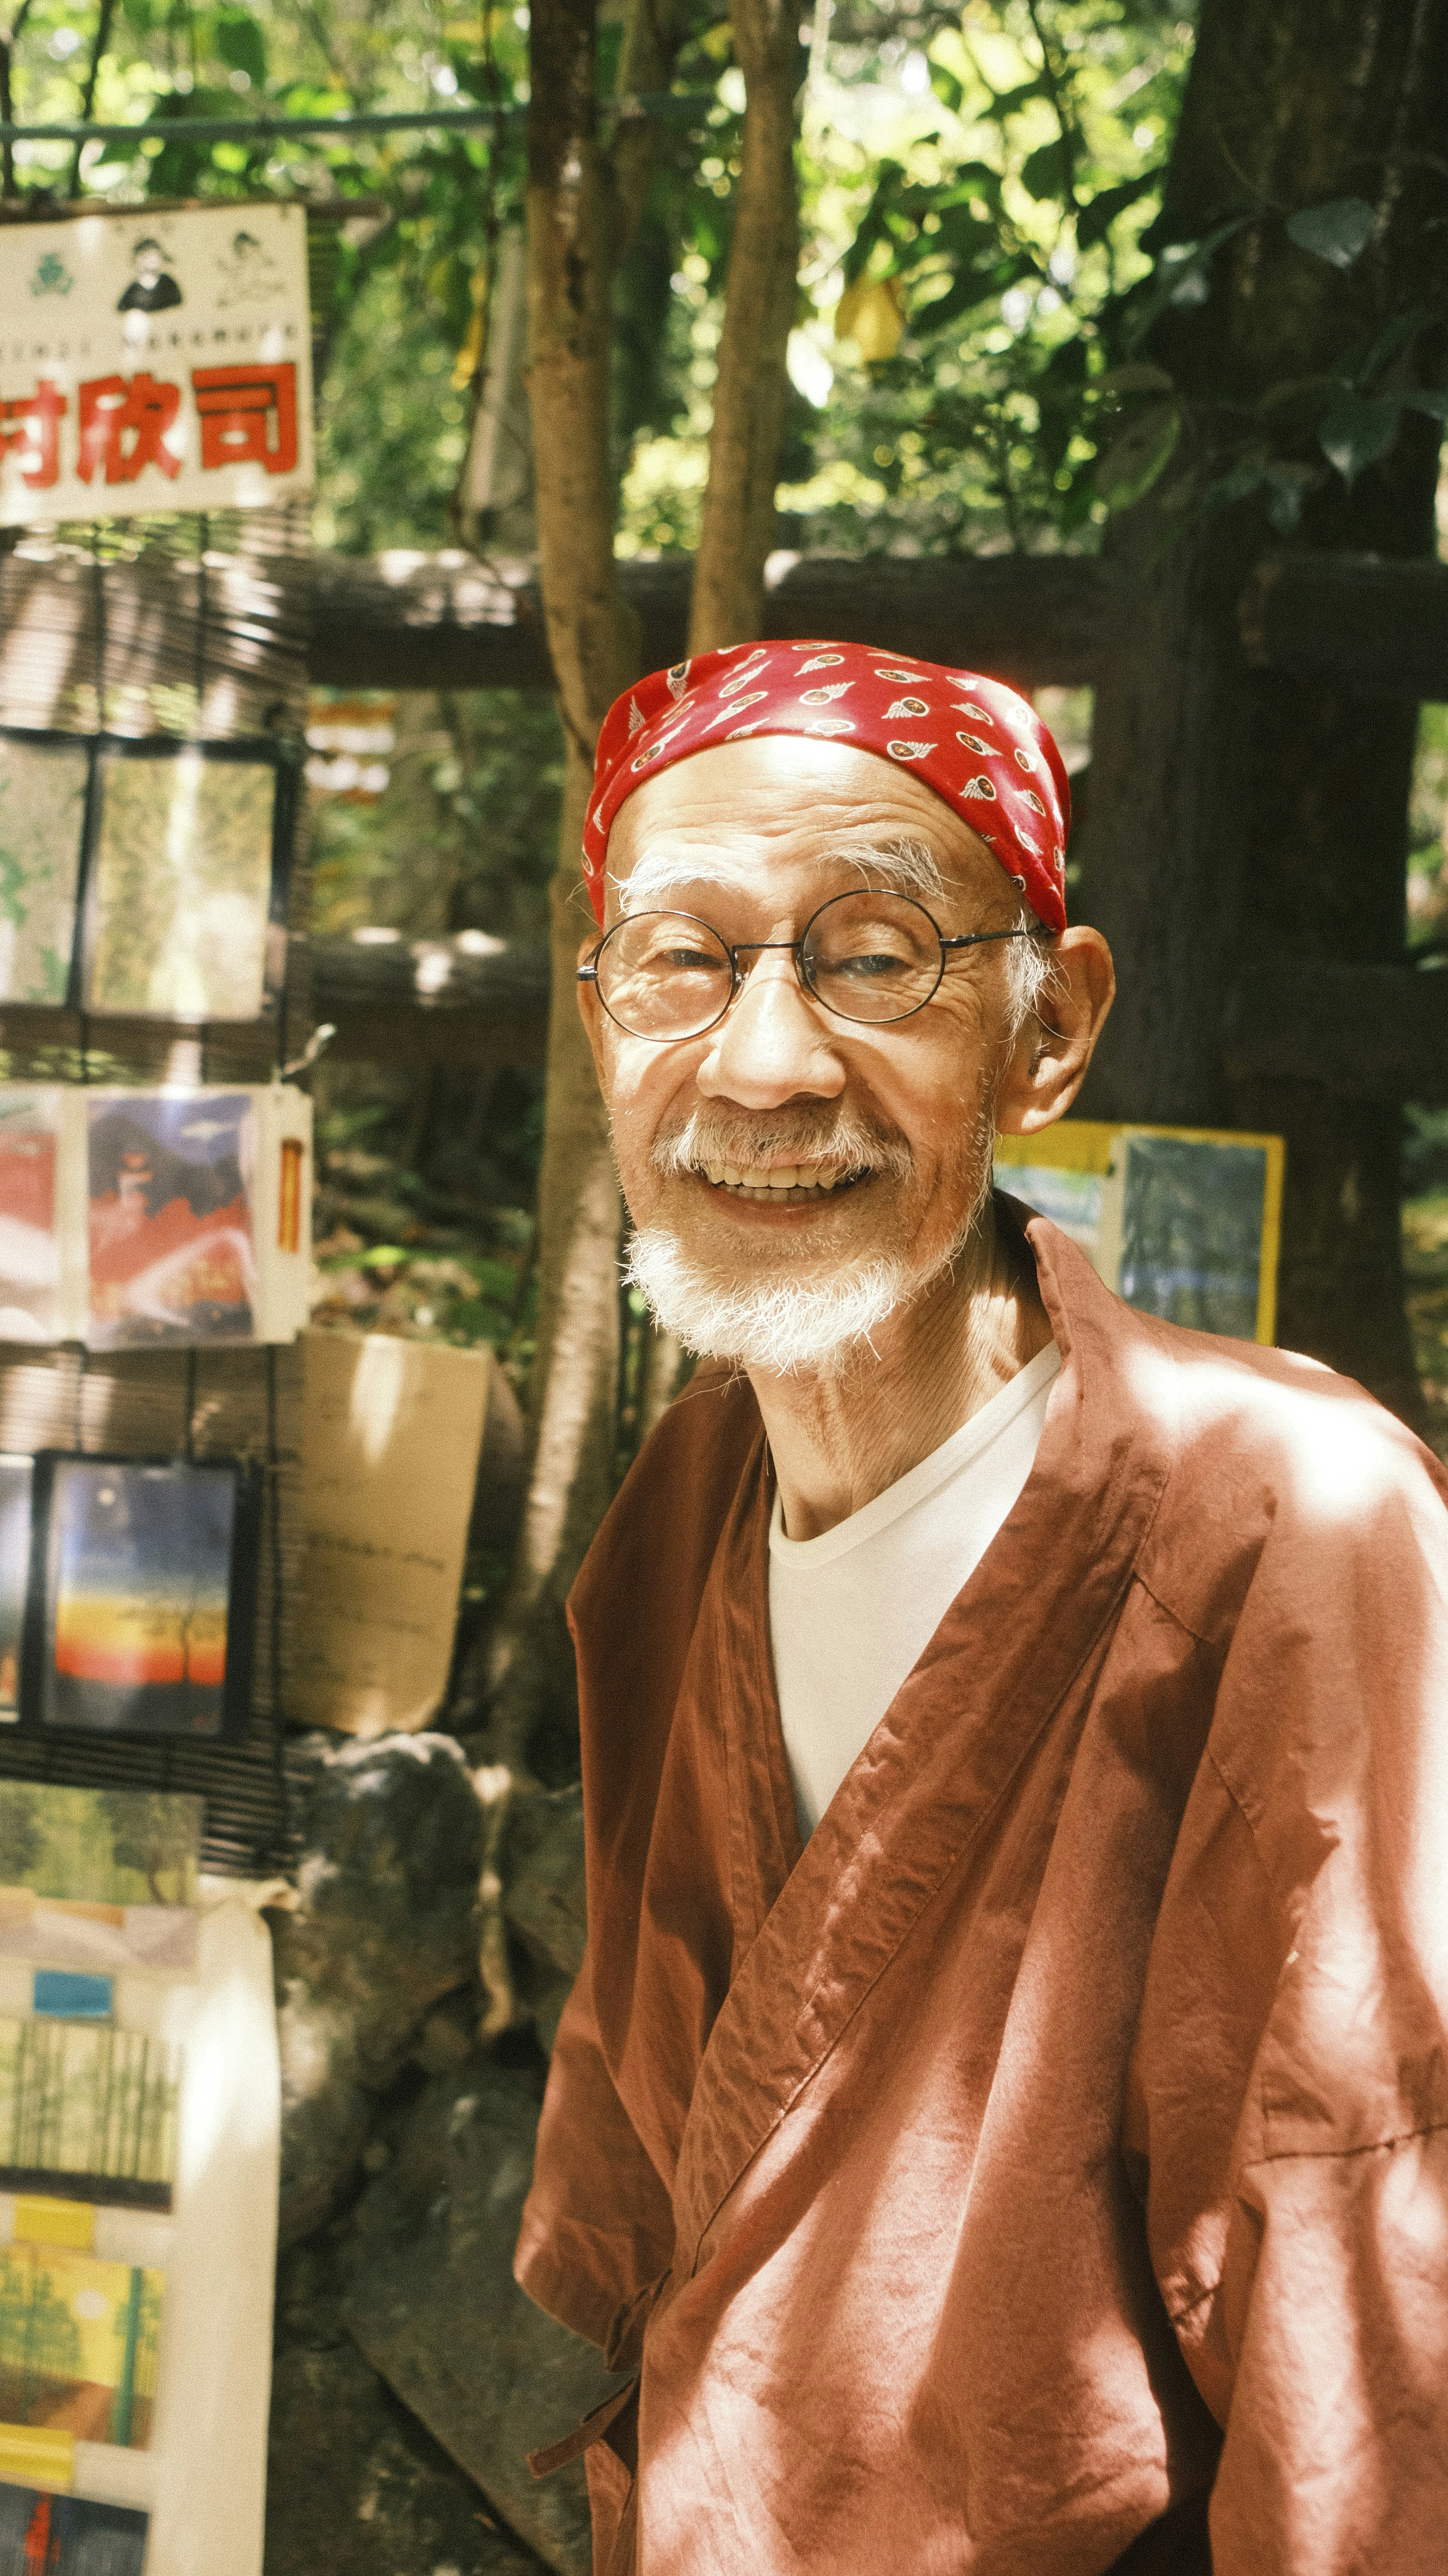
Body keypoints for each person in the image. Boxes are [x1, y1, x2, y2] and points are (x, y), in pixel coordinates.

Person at [514, 640, 1448, 2576]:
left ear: (1048, 1029)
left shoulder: (1294, 1520)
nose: (763, 1063)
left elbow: (1370, 2271)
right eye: (682, 960)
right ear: (600, 1016)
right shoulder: (686, 1507)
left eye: (871, 957)